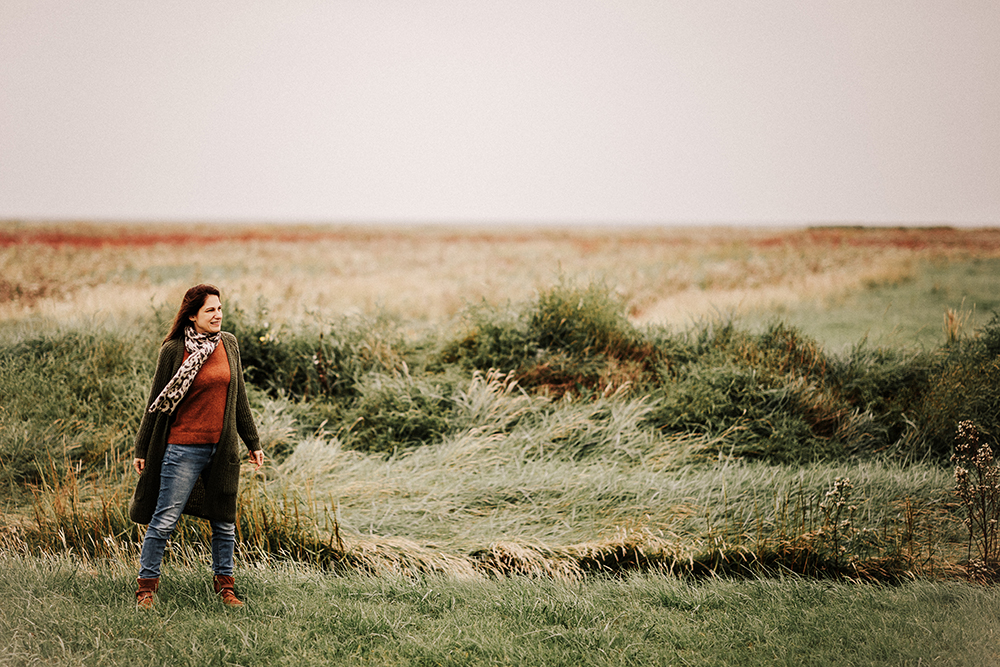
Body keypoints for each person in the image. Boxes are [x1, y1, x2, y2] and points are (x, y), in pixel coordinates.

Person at [129, 284, 264, 609]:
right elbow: (156, 402)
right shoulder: (174, 351)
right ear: (192, 315)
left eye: (219, 309)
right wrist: (142, 447)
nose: (218, 315)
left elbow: (239, 397)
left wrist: (253, 441)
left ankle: (226, 588)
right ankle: (146, 588)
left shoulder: (228, 344)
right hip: (182, 449)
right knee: (164, 519)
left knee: (224, 521)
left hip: (222, 449)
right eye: (210, 310)